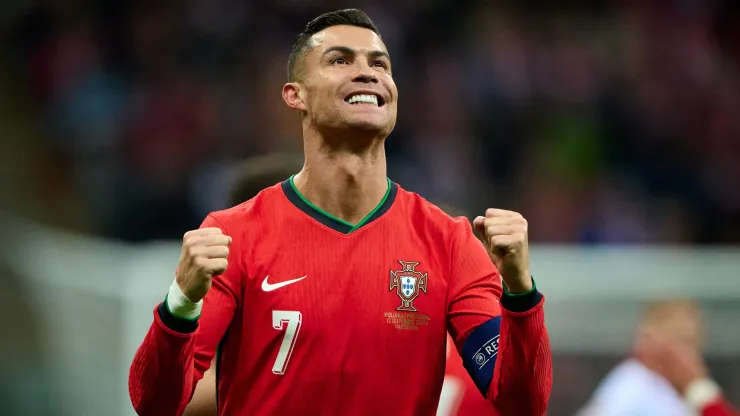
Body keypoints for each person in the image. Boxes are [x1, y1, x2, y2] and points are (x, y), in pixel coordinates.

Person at [129, 9, 552, 416]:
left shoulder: (449, 242)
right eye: (339, 60)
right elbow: (156, 404)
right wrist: (180, 302)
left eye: (380, 63)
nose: (368, 72)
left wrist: (519, 290)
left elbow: (521, 403)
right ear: (296, 95)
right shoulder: (234, 234)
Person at [577, 299, 732, 416]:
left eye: (693, 341)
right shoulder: (632, 386)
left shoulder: (686, 392)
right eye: (680, 341)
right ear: (648, 340)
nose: (688, 354)